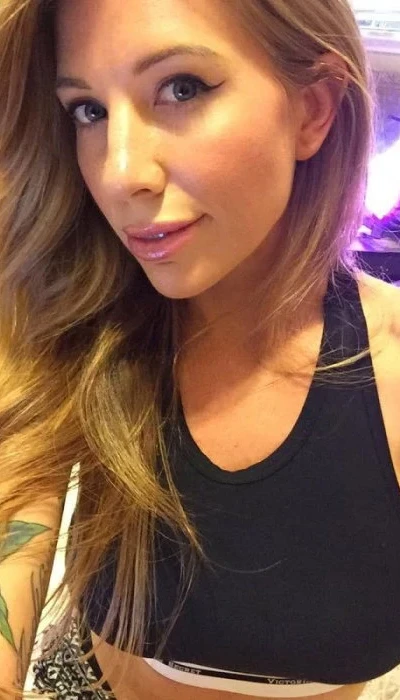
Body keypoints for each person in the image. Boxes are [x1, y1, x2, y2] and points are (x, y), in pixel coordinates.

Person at [0, 0, 399, 698]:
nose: (120, 173)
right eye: (89, 111)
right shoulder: (72, 331)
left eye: (181, 88)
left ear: (313, 110)